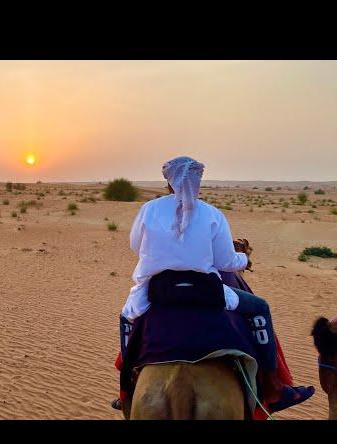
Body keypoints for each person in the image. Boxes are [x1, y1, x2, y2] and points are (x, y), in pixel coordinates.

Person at [113, 156, 313, 413]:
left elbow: (135, 245)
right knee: (259, 308)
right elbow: (225, 260)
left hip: (160, 290)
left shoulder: (149, 210)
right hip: (206, 290)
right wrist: (244, 258)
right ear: (197, 181)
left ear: (169, 181)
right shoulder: (211, 213)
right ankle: (274, 386)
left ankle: (126, 390)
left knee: (127, 319)